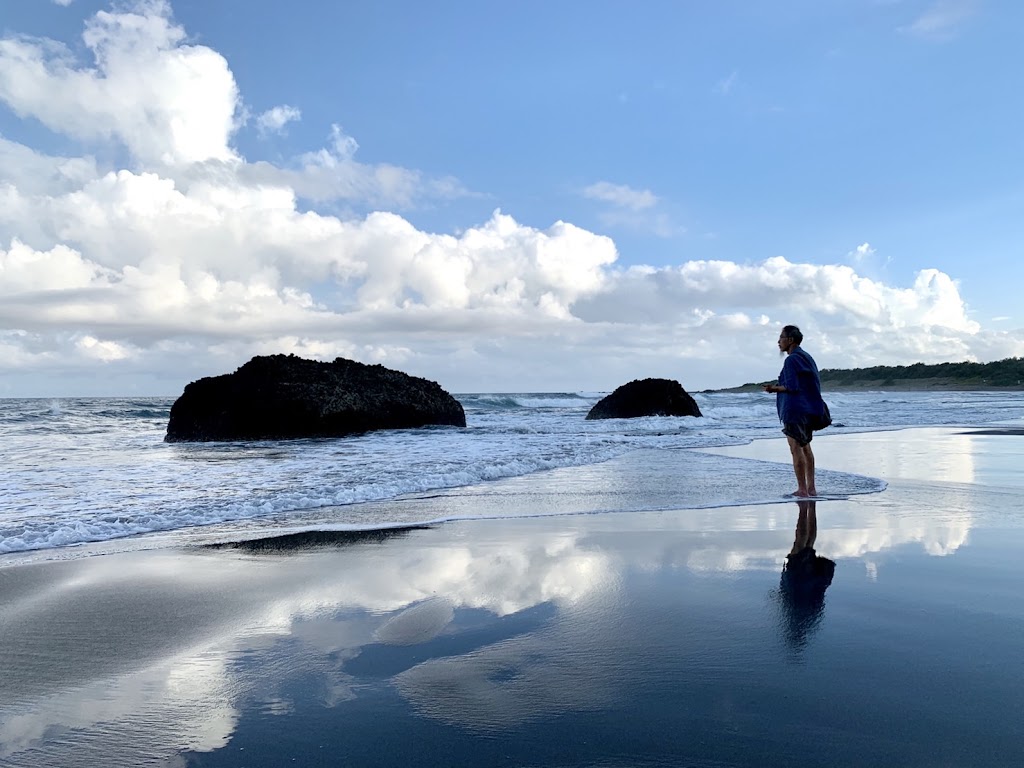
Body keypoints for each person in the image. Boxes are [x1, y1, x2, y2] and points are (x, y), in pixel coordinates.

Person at [763, 324, 827, 497]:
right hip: (808, 409)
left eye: (781, 338)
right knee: (805, 447)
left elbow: (791, 386)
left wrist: (773, 389)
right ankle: (811, 488)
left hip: (795, 410)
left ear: (790, 340)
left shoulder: (791, 359)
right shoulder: (807, 357)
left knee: (795, 448)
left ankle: (802, 489)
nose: (778, 341)